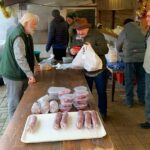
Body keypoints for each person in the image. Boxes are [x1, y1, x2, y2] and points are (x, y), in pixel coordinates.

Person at [0, 12, 39, 120]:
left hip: (19, 72)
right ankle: (12, 126)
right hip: (12, 73)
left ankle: (20, 120)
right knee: (14, 101)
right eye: (34, 24)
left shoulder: (27, 34)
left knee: (21, 99)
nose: (36, 27)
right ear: (26, 23)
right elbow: (20, 58)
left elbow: (31, 52)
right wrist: (30, 74)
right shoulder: (18, 35)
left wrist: (36, 65)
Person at [70, 18, 108, 120]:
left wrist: (91, 48)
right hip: (85, 70)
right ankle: (87, 112)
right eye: (78, 30)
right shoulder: (76, 36)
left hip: (99, 69)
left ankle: (103, 113)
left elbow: (105, 50)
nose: (80, 32)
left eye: (82, 29)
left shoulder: (97, 35)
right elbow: (72, 47)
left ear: (88, 27)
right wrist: (72, 51)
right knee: (85, 93)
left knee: (101, 91)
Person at [116, 18, 146, 108]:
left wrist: (122, 53)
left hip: (129, 59)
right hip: (142, 59)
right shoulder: (142, 30)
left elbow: (118, 45)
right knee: (141, 80)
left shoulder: (124, 31)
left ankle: (129, 101)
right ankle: (142, 99)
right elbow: (146, 44)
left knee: (129, 80)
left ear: (125, 24)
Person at [140, 9, 150, 129]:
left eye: (149, 16)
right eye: (147, 16)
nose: (147, 18)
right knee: (148, 95)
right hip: (148, 68)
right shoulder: (148, 30)